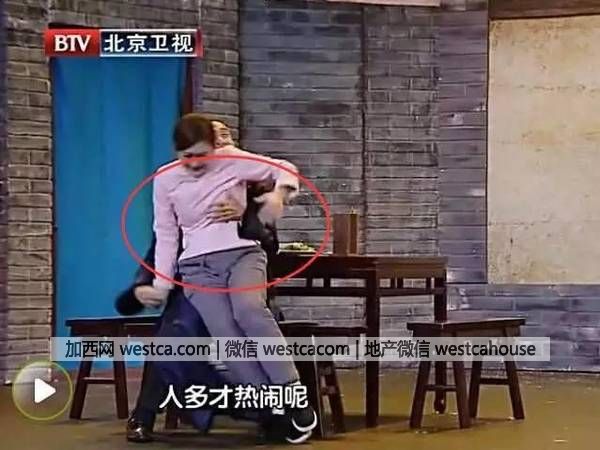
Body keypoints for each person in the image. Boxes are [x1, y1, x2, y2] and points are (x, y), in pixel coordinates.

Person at [143, 113, 316, 443]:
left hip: (241, 254)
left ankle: (292, 392)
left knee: (248, 309)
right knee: (227, 335)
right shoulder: (165, 180)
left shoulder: (230, 160)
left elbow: (284, 169)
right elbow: (165, 234)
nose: (196, 163)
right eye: (187, 156)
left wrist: (278, 196)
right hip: (196, 267)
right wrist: (162, 284)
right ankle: (271, 408)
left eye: (203, 154)